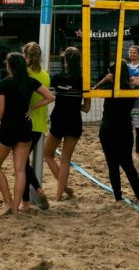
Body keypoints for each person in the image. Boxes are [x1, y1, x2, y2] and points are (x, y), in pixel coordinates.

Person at [0, 52, 54, 215]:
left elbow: (0, 111)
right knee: (20, 170)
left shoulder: (3, 83)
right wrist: (33, 107)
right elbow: (50, 97)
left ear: (9, 66)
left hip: (9, 129)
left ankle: (8, 202)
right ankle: (16, 209)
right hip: (25, 128)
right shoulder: (30, 81)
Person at [44, 46, 90, 201]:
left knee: (48, 154)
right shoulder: (84, 81)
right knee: (65, 160)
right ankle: (59, 195)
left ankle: (64, 188)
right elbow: (87, 108)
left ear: (65, 59)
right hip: (74, 120)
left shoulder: (57, 78)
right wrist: (76, 104)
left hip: (59, 119)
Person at [95, 61, 139, 202]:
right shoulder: (131, 89)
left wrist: (104, 80)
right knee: (128, 164)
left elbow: (92, 91)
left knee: (112, 165)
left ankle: (118, 197)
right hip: (124, 129)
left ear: (112, 74)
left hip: (108, 129)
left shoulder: (109, 87)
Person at [20, 41, 51, 211]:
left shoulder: (25, 73)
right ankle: (29, 198)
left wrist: (31, 107)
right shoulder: (45, 75)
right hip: (40, 125)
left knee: (22, 164)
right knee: (23, 163)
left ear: (26, 56)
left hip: (27, 122)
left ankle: (32, 195)